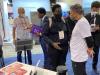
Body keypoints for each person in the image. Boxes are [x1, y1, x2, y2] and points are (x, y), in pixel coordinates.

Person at [43, 4, 69, 72]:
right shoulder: (49, 21)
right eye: (58, 11)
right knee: (54, 67)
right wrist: (52, 43)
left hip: (64, 48)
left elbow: (68, 33)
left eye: (60, 11)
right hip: (53, 48)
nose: (60, 13)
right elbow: (44, 35)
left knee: (62, 65)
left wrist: (69, 44)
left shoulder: (64, 20)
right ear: (53, 12)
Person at [70, 4, 94, 75]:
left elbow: (89, 39)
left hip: (78, 57)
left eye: (71, 12)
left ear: (75, 12)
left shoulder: (82, 22)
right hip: (77, 55)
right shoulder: (80, 21)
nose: (70, 14)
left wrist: (90, 49)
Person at [85, 1, 100, 71]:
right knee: (85, 53)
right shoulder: (86, 16)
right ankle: (82, 66)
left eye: (98, 9)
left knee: (96, 54)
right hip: (88, 38)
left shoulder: (99, 17)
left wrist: (98, 28)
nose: (96, 10)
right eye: (95, 9)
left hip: (97, 38)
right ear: (91, 8)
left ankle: (94, 66)